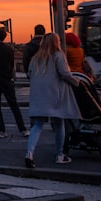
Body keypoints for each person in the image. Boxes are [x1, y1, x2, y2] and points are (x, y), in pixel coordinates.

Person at [24, 34, 81, 167]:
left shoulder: (36, 58)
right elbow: (65, 73)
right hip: (55, 93)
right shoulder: (58, 55)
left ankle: (29, 153)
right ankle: (60, 155)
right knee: (59, 123)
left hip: (39, 95)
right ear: (56, 42)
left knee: (37, 125)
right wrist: (76, 82)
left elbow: (29, 74)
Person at [0, 27, 29, 138]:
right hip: (6, 79)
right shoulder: (9, 50)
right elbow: (11, 65)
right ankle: (22, 128)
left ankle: (1, 131)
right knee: (14, 105)